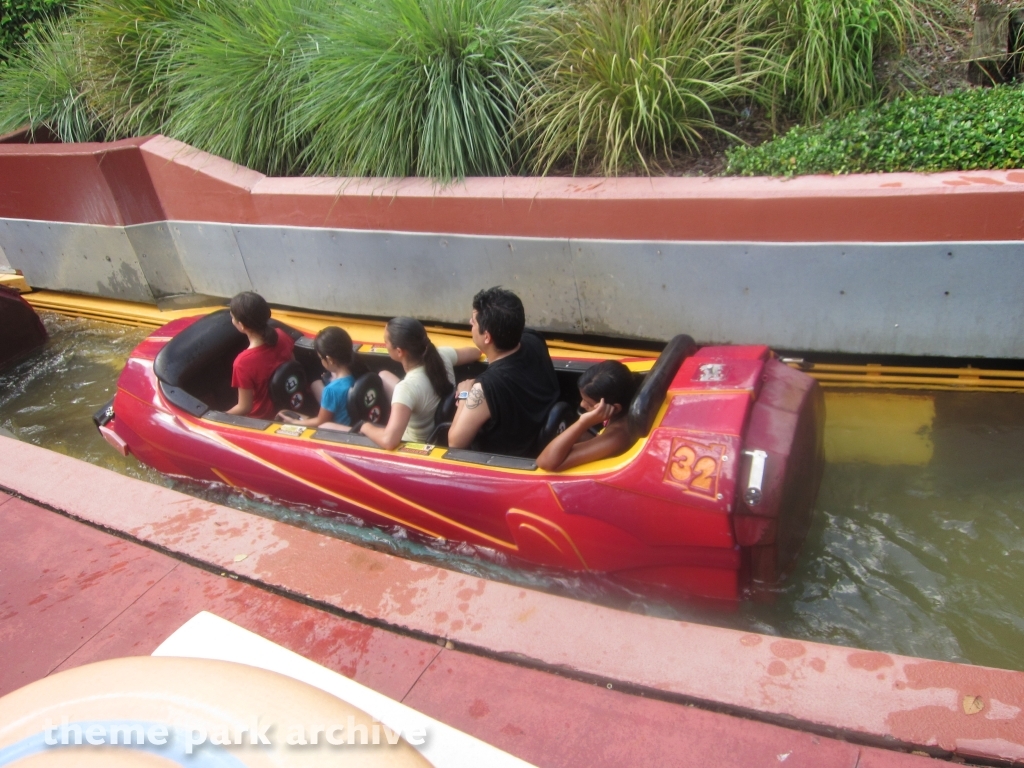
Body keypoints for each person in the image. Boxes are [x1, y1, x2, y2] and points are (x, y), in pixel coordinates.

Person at [448, 287, 559, 457]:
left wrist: (464, 395)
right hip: (542, 435)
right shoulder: (533, 339)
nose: (470, 322)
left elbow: (455, 442)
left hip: (513, 460)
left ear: (487, 337)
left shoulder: (486, 388)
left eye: (474, 321)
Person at [359, 317, 479, 449]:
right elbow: (475, 352)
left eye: (385, 342)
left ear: (399, 351)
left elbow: (389, 441)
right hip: (434, 421)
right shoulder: (442, 355)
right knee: (383, 375)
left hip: (413, 445)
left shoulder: (406, 388)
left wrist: (364, 426)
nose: (385, 345)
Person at [536, 360, 637, 471]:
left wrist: (583, 423)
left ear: (615, 408)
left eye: (589, 403)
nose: (582, 404)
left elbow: (545, 462)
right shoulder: (623, 408)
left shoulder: (617, 438)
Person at [227, 291, 294, 419]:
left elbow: (244, 407)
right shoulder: (281, 335)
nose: (232, 321)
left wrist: (217, 416)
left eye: (233, 317)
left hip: (263, 418)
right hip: (288, 403)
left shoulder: (242, 363)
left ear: (241, 325)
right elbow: (292, 367)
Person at [278, 326, 355, 429]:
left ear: (329, 360)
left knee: (282, 414)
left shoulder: (331, 390)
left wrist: (294, 422)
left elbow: (321, 422)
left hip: (334, 432)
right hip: (350, 426)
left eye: (320, 358)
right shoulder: (354, 376)